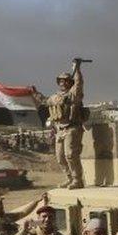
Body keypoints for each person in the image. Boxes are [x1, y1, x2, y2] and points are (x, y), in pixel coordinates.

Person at [45, 60, 87, 189]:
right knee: (60, 157)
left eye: (67, 81)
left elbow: (79, 83)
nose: (63, 83)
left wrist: (77, 69)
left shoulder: (74, 94)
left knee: (71, 155)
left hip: (72, 128)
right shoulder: (54, 97)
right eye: (61, 81)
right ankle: (69, 178)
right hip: (59, 129)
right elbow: (47, 105)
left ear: (70, 83)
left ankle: (77, 180)